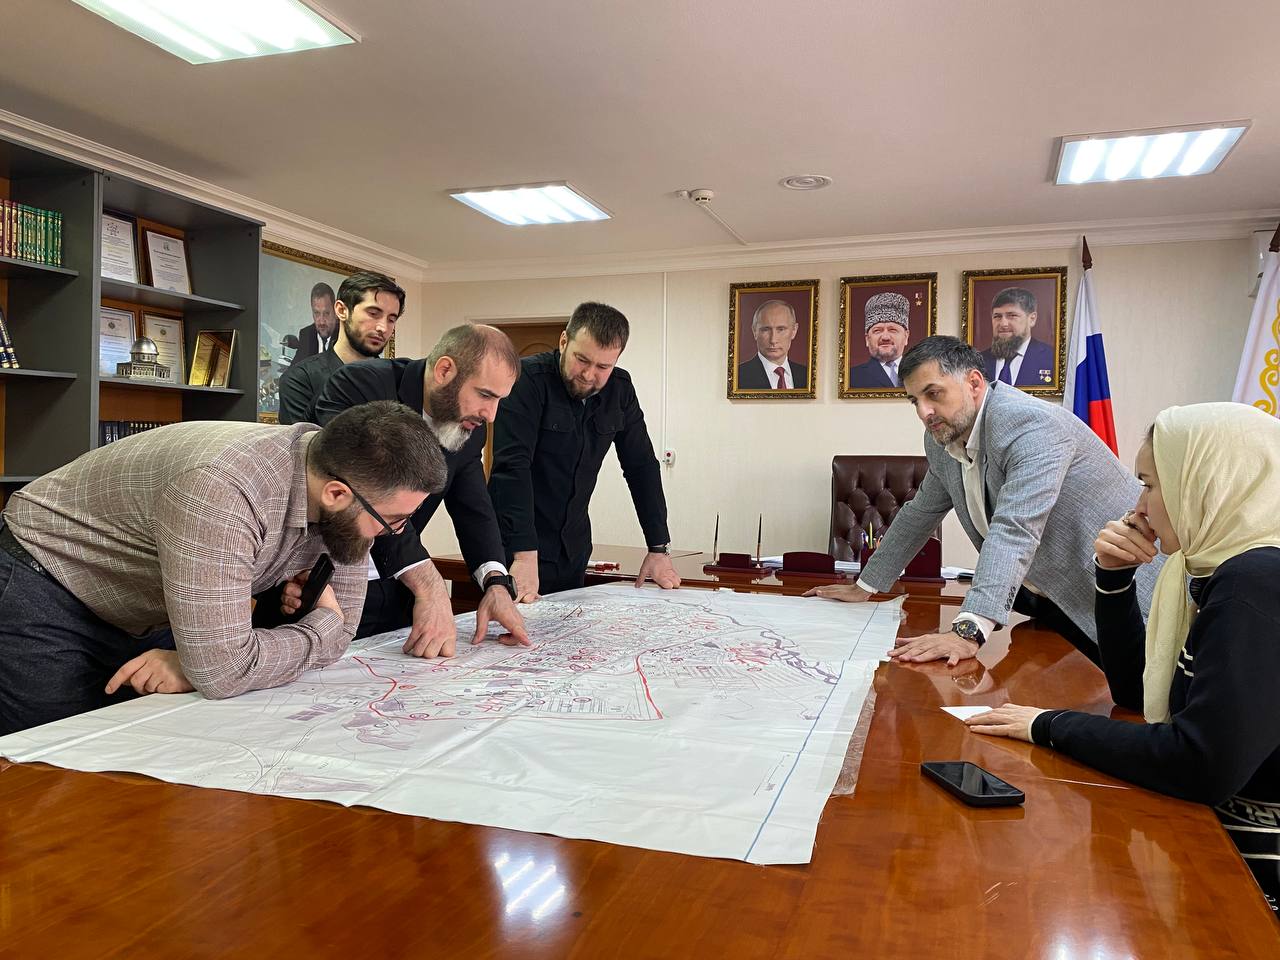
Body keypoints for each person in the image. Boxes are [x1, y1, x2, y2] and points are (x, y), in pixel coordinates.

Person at [965, 403, 1280, 915]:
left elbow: (1201, 765)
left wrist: (1048, 724)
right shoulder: (1209, 569)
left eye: (1151, 485)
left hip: (1256, 870)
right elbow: (1137, 691)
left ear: (1207, 483)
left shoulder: (1257, 583)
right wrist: (1112, 577)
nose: (1139, 507)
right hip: (1224, 831)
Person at [0, 401, 447, 735]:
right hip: (48, 581)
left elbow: (342, 627)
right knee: (48, 767)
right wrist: (316, 628)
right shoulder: (223, 491)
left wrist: (199, 663)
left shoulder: (339, 486)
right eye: (393, 520)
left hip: (143, 605)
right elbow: (227, 670)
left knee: (159, 746)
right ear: (336, 494)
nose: (393, 533)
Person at [806, 335, 1159, 665]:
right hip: (1051, 602)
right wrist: (865, 586)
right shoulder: (943, 438)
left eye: (934, 394)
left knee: (1139, 702)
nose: (924, 412)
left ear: (974, 384)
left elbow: (1014, 528)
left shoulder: (1030, 425)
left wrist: (967, 632)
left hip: (1130, 597)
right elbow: (919, 513)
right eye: (915, 400)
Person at [314, 324, 529, 656]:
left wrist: (496, 583)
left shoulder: (469, 427)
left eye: (499, 400)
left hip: (397, 591)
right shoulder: (360, 385)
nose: (490, 415)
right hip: (325, 589)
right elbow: (367, 491)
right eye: (485, 395)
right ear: (444, 370)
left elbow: (475, 510)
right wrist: (428, 582)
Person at [488, 301, 681, 601]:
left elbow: (641, 466)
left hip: (573, 549)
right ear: (564, 341)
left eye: (603, 367)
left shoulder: (620, 390)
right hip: (513, 547)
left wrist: (658, 547)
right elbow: (512, 468)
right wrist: (524, 555)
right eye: (582, 360)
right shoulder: (526, 380)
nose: (589, 375)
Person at [278, 271, 402, 424]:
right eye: (373, 313)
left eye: (391, 319)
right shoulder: (298, 381)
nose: (383, 328)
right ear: (342, 310)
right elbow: (302, 440)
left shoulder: (398, 382)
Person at [978, 287, 1056, 387]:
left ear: (1032, 319)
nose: (1003, 324)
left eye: (1012, 315)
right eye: (997, 316)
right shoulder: (978, 361)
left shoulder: (1051, 359)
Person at [736, 299, 809, 390]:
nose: (773, 340)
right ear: (754, 331)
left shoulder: (807, 375)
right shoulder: (737, 376)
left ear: (794, 330)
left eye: (781, 329)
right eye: (765, 330)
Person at [848, 292, 910, 388]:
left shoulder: (920, 373)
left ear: (906, 336)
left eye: (892, 330)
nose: (885, 337)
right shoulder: (851, 378)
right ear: (867, 339)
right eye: (877, 331)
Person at [293, 282, 338, 362]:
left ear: (335, 311)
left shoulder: (344, 336)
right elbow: (295, 368)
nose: (321, 321)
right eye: (317, 313)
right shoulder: (306, 334)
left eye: (326, 313)